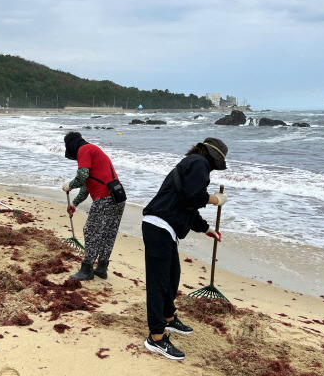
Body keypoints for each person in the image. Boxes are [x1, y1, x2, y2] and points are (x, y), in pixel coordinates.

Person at [142, 137, 229, 360]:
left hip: (165, 229)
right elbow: (195, 197)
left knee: (172, 277)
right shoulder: (199, 163)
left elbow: (189, 206)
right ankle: (156, 338)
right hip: (158, 226)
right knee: (158, 283)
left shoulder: (193, 165)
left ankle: (169, 318)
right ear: (214, 157)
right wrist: (214, 199)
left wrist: (207, 228)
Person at [61, 131, 126, 280]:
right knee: (108, 233)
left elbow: (82, 176)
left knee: (91, 230)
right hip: (118, 196)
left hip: (105, 197)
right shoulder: (93, 150)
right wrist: (74, 203)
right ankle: (102, 268)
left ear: (70, 145)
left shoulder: (83, 149)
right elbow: (86, 185)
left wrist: (69, 185)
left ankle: (87, 269)